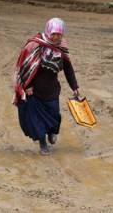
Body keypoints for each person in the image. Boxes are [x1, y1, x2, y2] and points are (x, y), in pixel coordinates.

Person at [12, 18, 80, 155]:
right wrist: (28, 86)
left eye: (59, 34)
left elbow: (68, 69)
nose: (56, 37)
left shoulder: (61, 49)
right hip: (34, 91)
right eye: (53, 34)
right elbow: (25, 67)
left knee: (54, 117)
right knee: (37, 121)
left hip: (52, 91)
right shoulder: (35, 45)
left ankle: (51, 132)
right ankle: (43, 144)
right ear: (48, 32)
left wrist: (75, 87)